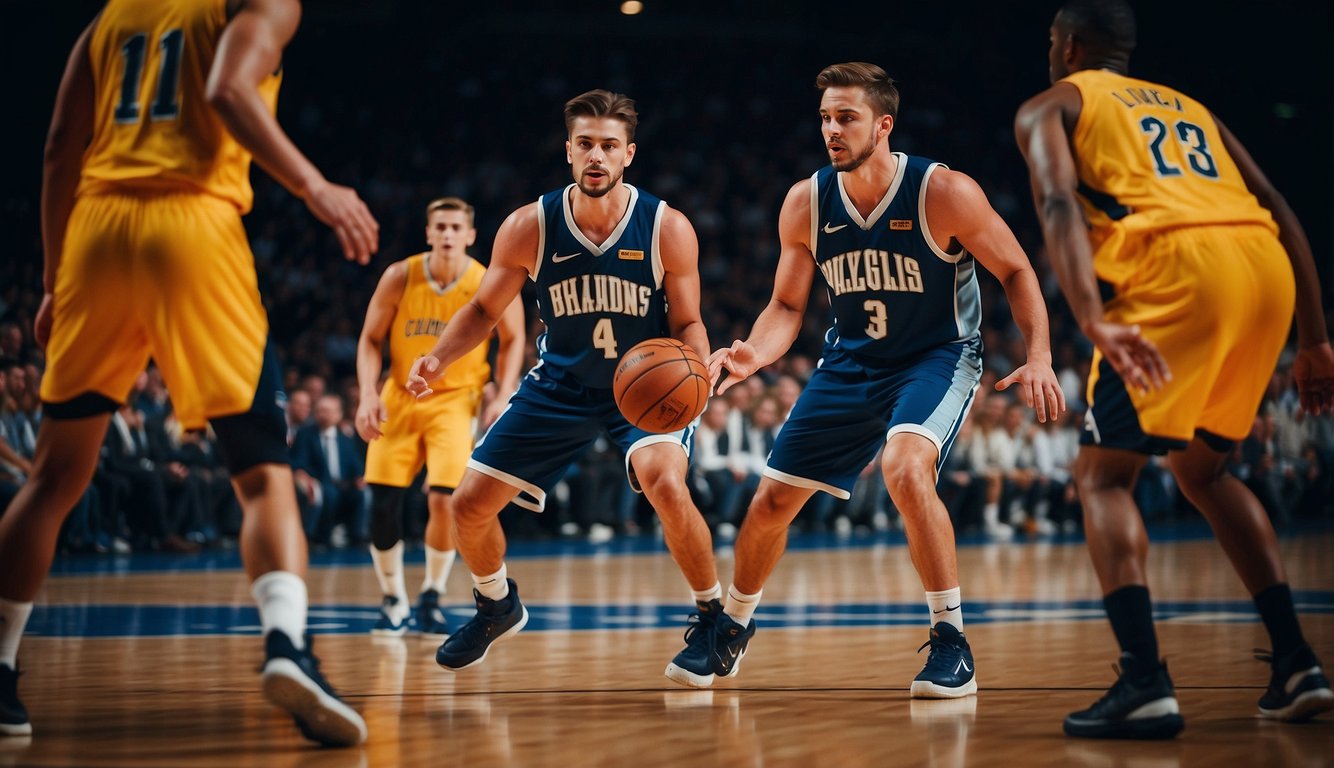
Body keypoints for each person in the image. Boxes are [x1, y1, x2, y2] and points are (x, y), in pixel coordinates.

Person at [0, 0, 378, 745]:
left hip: (95, 234)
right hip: (192, 227)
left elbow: (57, 148)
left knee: (53, 478)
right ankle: (288, 647)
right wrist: (315, 187)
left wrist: (53, 280)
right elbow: (228, 91)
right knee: (263, 469)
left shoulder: (109, 20)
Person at [1015, 0, 1334, 739]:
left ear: (1070, 45)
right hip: (1265, 270)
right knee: (1205, 473)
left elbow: (1060, 203)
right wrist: (1316, 336)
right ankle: (1296, 663)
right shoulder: (1193, 109)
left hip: (1178, 270)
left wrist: (1091, 315)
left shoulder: (1052, 104)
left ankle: (1143, 680)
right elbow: (1277, 201)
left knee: (1103, 476)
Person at [703, 62, 1065, 696]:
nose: (832, 130)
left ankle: (952, 639)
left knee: (904, 467)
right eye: (825, 118)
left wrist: (1038, 356)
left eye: (846, 117)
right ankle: (731, 627)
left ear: (884, 124)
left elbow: (1015, 270)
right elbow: (787, 307)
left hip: (937, 357)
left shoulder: (943, 192)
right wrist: (753, 356)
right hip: (849, 363)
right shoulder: (806, 201)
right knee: (768, 507)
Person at [405, 90, 724, 682]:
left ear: (629, 154)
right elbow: (482, 309)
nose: (596, 157)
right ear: (568, 151)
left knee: (665, 483)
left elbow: (687, 322)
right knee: (466, 506)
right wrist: (438, 358)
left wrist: (698, 373)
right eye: (585, 145)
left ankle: (714, 618)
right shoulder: (530, 225)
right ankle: (496, 604)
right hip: (561, 383)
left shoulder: (666, 228)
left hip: (643, 390)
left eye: (608, 146)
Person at [354, 196, 524, 636]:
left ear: (470, 236)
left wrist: (503, 393)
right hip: (401, 395)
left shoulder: (487, 279)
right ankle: (392, 598)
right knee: (383, 502)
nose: (448, 235)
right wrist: (367, 396)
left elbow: (513, 339)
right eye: (440, 227)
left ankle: (431, 593)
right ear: (428, 233)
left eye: (456, 228)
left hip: (456, 399)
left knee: (445, 499)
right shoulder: (400, 276)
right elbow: (370, 340)